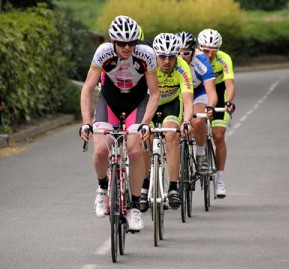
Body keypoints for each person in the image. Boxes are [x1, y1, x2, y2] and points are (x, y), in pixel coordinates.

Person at [79, 15, 160, 231]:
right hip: (110, 100)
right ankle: (102, 186)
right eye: (122, 43)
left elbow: (154, 93)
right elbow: (87, 88)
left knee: (134, 152)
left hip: (137, 101)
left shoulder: (146, 55)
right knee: (99, 152)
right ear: (113, 42)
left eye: (131, 42)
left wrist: (145, 123)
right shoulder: (103, 53)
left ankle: (133, 206)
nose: (127, 47)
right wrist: (87, 122)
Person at [139, 33, 194, 211]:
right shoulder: (148, 64)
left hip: (171, 105)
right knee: (144, 137)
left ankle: (172, 187)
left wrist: (186, 121)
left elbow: (187, 100)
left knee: (171, 135)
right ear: (155, 54)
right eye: (162, 56)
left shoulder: (182, 67)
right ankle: (145, 184)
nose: (167, 61)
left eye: (171, 56)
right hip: (149, 105)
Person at [197, 28, 236, 198]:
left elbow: (229, 84)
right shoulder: (195, 58)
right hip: (199, 91)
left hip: (218, 92)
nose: (210, 54)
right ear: (199, 48)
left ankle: (220, 178)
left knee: (218, 136)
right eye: (206, 50)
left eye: (214, 51)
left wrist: (228, 101)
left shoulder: (224, 58)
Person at [176, 31, 218, 174]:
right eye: (178, 53)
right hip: (179, 93)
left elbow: (211, 92)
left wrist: (210, 107)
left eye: (186, 53)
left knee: (199, 120)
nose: (181, 57)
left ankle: (200, 152)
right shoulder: (169, 60)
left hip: (198, 93)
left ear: (193, 52)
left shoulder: (202, 61)